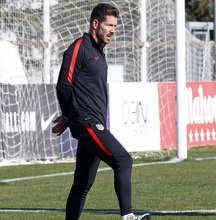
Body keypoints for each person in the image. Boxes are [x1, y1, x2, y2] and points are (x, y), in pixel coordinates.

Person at [52, 3, 151, 220]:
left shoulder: (98, 52)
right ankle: (128, 217)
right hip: (86, 121)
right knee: (124, 161)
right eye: (109, 25)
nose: (113, 30)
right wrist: (69, 115)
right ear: (95, 23)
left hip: (94, 121)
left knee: (83, 184)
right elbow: (63, 85)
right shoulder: (79, 47)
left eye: (115, 25)